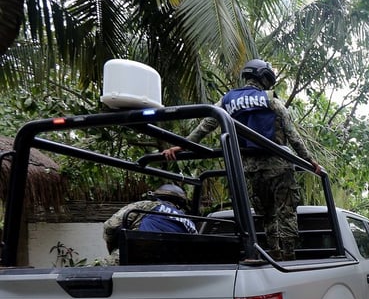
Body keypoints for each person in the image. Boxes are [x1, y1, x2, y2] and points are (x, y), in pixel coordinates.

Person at [162, 59, 319, 260]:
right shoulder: (271, 99)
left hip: (251, 169)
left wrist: (182, 145)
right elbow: (293, 136)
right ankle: (289, 258)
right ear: (265, 78)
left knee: (267, 214)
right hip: (279, 166)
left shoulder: (226, 101)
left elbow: (206, 124)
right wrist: (310, 160)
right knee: (286, 213)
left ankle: (275, 253)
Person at [102, 183, 197, 264]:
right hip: (174, 264)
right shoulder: (189, 221)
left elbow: (110, 226)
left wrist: (114, 249)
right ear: (181, 203)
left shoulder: (146, 205)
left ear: (156, 196)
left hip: (136, 259)